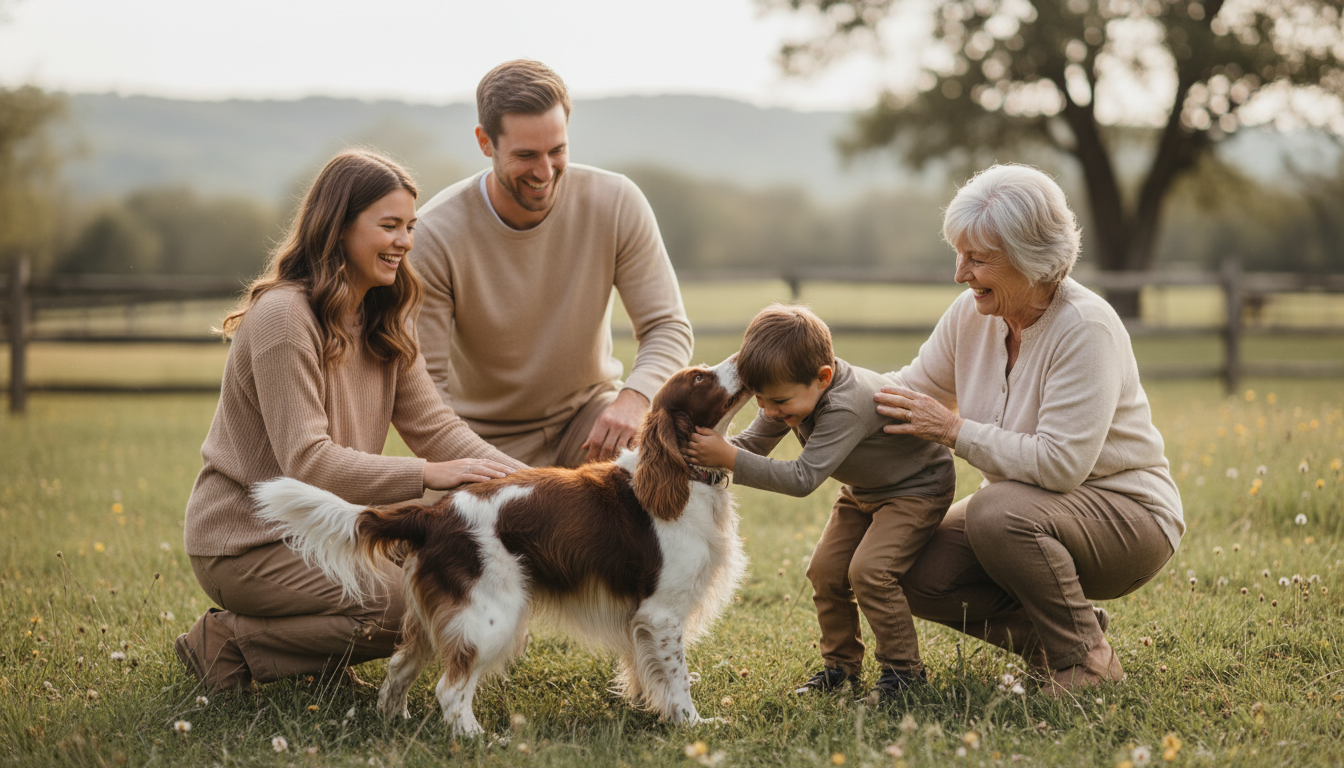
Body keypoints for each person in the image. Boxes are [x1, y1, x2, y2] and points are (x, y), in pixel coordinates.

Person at [176, 149, 525, 693]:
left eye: (410, 226)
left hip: (326, 530)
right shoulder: (284, 319)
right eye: (389, 226)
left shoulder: (381, 317)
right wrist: (428, 475)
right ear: (337, 228)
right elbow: (307, 461)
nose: (405, 242)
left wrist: (538, 485)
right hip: (247, 542)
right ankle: (227, 643)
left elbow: (437, 427)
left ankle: (314, 660)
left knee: (449, 579)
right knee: (406, 603)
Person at [872, 164, 1183, 696]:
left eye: (978, 259)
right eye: (959, 254)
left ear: (1031, 261)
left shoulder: (1085, 328)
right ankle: (1056, 642)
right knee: (905, 564)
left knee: (996, 512)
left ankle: (1086, 662)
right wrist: (816, 387)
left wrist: (953, 429)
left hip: (1129, 518)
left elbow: (1059, 466)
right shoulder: (972, 314)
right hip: (1029, 510)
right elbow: (907, 389)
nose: (960, 273)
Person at [410, 59, 693, 468]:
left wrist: (634, 399)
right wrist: (518, 483)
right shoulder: (434, 236)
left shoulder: (616, 202)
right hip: (480, 441)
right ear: (485, 142)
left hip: (590, 424)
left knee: (678, 455)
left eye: (557, 150)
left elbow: (667, 327)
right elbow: (427, 392)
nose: (545, 172)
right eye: (526, 155)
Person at [685, 304, 955, 702]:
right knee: (825, 570)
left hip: (916, 488)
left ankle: (904, 675)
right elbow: (749, 446)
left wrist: (726, 458)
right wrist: (695, 460)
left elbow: (801, 478)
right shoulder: (790, 388)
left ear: (823, 377)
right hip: (864, 490)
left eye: (777, 402)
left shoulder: (845, 406)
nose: (768, 411)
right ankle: (841, 667)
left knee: (870, 571)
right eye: (759, 399)